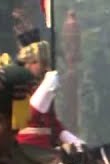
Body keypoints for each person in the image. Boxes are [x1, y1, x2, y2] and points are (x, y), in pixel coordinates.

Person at [11, 8, 84, 152]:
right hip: (26, 151)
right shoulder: (18, 89)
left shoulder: (39, 86)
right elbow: (21, 121)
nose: (46, 67)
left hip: (48, 149)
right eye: (41, 62)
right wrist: (45, 91)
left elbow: (53, 124)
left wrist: (75, 141)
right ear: (29, 63)